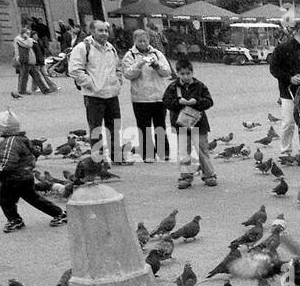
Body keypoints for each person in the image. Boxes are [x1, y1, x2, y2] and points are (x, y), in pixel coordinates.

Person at [0, 109, 67, 233]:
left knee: (4, 198)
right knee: (32, 198)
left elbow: (7, 163)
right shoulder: (22, 138)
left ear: (2, 128)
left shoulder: (10, 142)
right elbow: (33, 153)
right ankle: (59, 213)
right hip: (25, 175)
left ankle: (15, 220)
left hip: (14, 177)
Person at [68, 20, 123, 167]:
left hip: (111, 94)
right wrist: (91, 84)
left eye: (106, 30)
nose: (104, 33)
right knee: (96, 129)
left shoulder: (110, 48)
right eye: (100, 30)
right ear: (92, 32)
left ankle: (116, 156)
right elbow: (74, 70)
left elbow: (118, 67)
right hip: (94, 96)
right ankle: (98, 160)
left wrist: (118, 81)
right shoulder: (83, 48)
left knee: (114, 126)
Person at [120, 29, 172, 164]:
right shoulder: (129, 55)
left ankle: (163, 151)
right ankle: (148, 153)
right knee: (144, 127)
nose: (143, 43)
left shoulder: (157, 53)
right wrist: (140, 64)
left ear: (149, 40)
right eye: (140, 41)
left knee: (160, 126)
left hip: (158, 96)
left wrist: (156, 65)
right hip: (140, 98)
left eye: (145, 40)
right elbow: (127, 74)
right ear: (134, 41)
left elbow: (167, 72)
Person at [164, 58, 217, 189]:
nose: (185, 76)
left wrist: (196, 102)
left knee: (202, 150)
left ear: (192, 72)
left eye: (188, 73)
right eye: (182, 74)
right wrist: (178, 102)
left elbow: (209, 101)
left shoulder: (200, 86)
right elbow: (166, 102)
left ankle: (209, 175)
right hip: (181, 125)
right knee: (183, 152)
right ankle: (186, 176)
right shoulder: (172, 87)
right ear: (177, 74)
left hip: (199, 124)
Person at [269, 24, 300, 155]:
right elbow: (274, 69)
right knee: (288, 122)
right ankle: (286, 150)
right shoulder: (282, 49)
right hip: (287, 92)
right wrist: (289, 78)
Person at [14, 25, 56, 96]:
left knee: (36, 76)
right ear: (23, 33)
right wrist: (28, 38)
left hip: (30, 60)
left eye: (29, 34)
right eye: (27, 33)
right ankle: (22, 91)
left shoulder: (26, 39)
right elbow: (28, 45)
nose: (29, 35)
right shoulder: (19, 39)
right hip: (24, 60)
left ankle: (45, 90)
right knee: (24, 76)